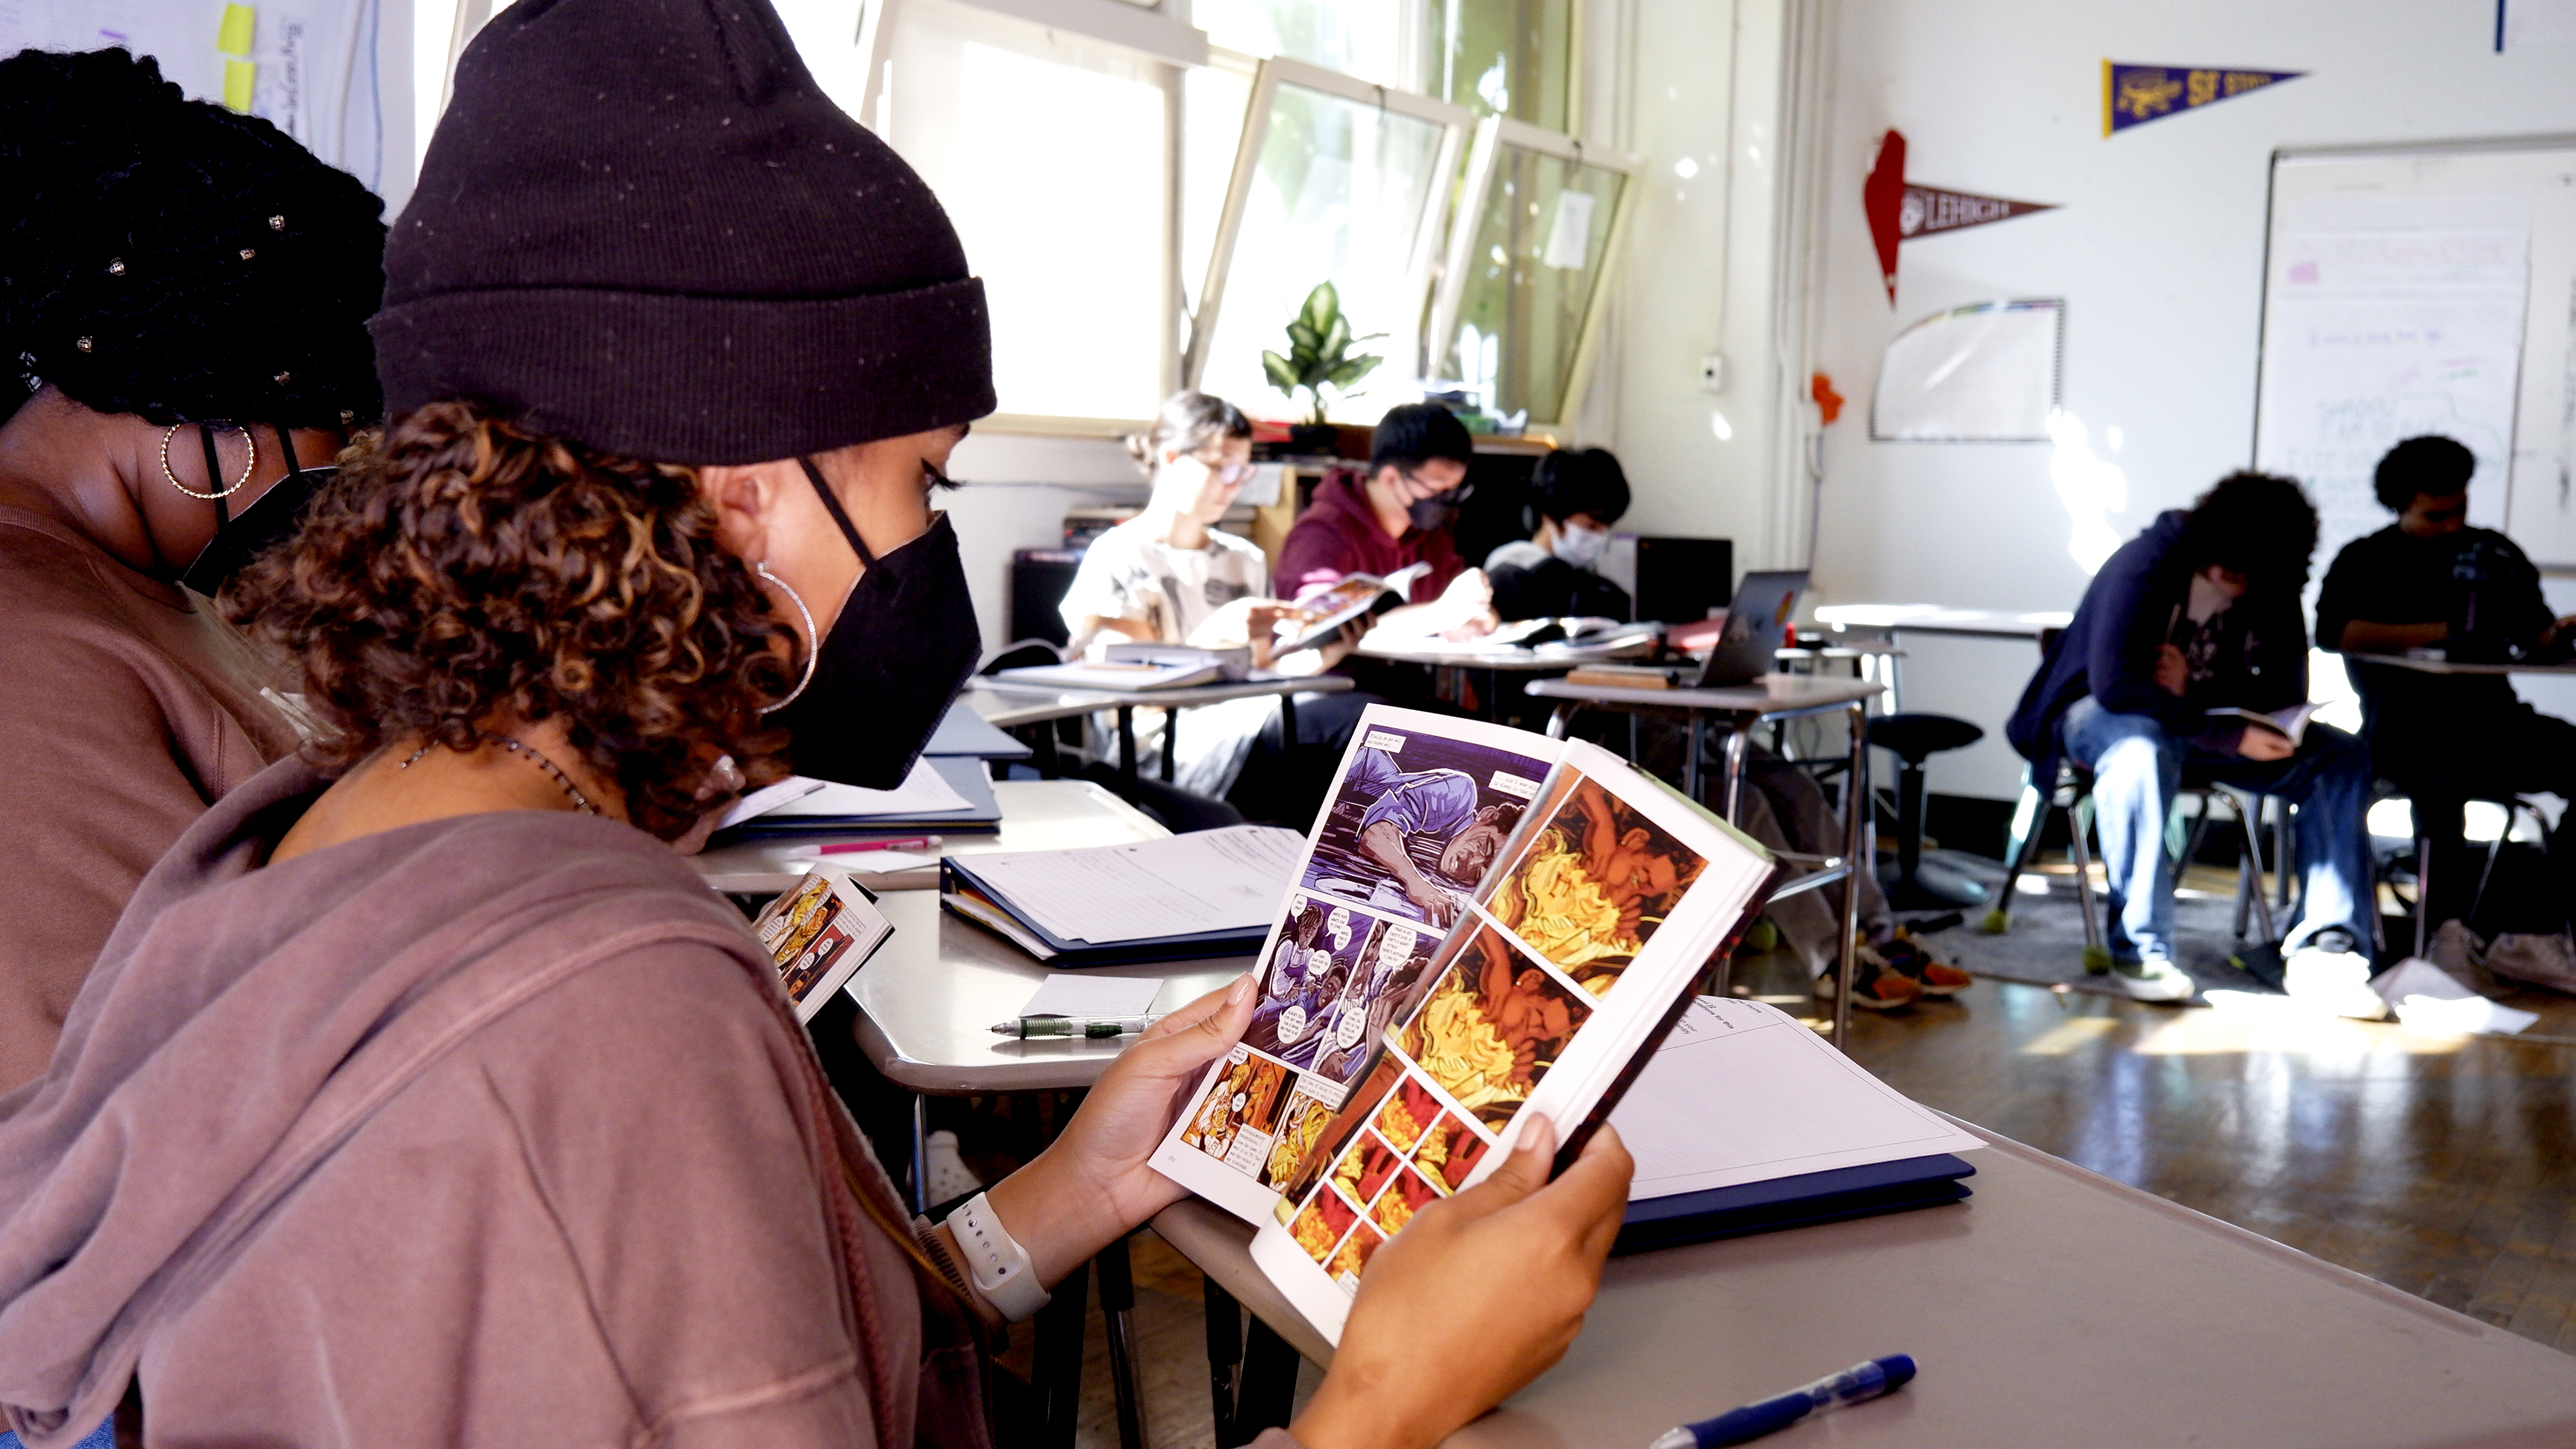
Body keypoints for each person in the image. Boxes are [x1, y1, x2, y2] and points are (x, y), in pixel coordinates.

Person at [0, 7, 1631, 1447]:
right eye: (919, 478)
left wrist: (1076, 1189)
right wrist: (1379, 1403)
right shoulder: (612, 1012)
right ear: (742, 490)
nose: (929, 540)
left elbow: (695, 1353)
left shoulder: (300, 847)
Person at [0, 49, 384, 1093]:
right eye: (337, 424)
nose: (344, 467)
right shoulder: (29, 654)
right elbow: (95, 1095)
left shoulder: (139, 590)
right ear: (202, 419)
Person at [2006, 471, 2383, 1017]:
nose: (2231, 579)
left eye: (2246, 575)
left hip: (2192, 720)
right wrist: (2221, 729)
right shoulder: (2146, 562)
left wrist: (2204, 702)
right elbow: (2115, 685)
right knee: (2141, 744)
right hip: (2099, 718)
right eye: (2225, 566)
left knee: (2340, 757)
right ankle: (2140, 949)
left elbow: (2284, 692)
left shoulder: (2274, 581)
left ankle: (2328, 949)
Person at [2317, 434, 2576, 947]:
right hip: (2404, 732)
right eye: (2435, 516)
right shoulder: (2366, 560)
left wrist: (2557, 635)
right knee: (2440, 784)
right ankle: (2442, 935)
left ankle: (2540, 922)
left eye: (2459, 509)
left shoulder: (2493, 552)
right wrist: (2445, 628)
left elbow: (2535, 631)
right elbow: (2335, 632)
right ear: (2400, 506)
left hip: (2497, 725)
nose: (2453, 525)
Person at [1058, 389, 1369, 813]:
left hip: (1246, 719)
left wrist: (1318, 657)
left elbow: (1258, 673)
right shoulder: (1119, 557)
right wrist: (1214, 638)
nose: (1233, 485)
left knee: (1376, 721)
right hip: (1168, 743)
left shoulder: (1245, 559)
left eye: (1243, 471)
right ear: (1171, 458)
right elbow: (1124, 693)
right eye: (1222, 468)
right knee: (1349, 729)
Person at [1276, 401, 1499, 640]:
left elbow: (1468, 607)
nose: (1446, 502)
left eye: (1455, 490)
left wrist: (1479, 615)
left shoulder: (1430, 536)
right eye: (1438, 490)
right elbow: (1316, 626)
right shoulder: (1322, 534)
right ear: (1391, 479)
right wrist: (1438, 615)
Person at [1349, 744, 1527, 925]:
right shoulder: (1459, 794)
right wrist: (1415, 881)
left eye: (1484, 871)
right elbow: (1375, 833)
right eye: (1483, 846)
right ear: (1487, 816)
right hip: (1354, 767)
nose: (1471, 863)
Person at [1484, 447, 1632, 621]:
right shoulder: (1510, 574)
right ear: (1550, 515)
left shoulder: (1593, 583)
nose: (1600, 538)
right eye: (1591, 527)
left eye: (1606, 528)